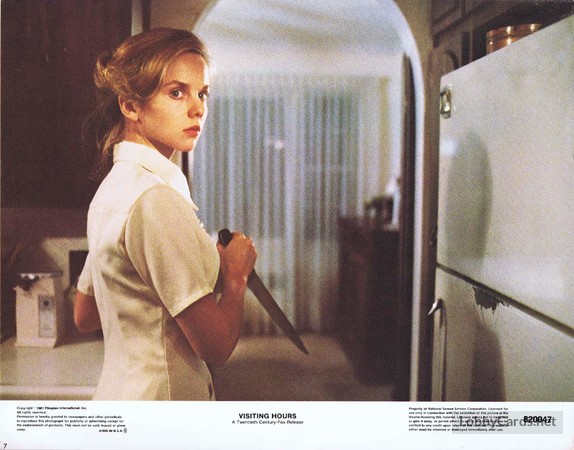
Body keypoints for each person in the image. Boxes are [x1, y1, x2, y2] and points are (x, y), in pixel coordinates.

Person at [74, 28, 257, 400]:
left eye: (202, 93)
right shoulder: (155, 200)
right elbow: (217, 347)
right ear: (130, 106)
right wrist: (235, 276)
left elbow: (85, 314)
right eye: (177, 92)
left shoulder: (111, 191)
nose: (198, 108)